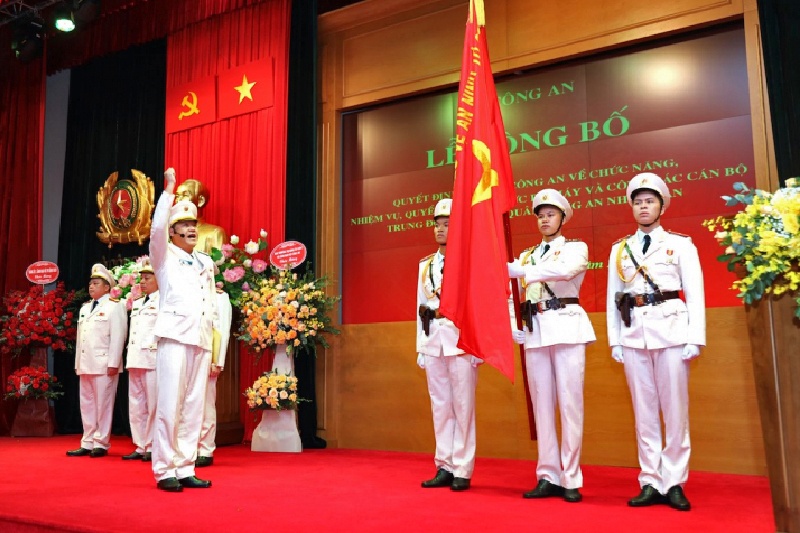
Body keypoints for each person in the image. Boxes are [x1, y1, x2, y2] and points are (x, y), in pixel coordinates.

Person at [606, 172, 705, 512]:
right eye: (638, 202)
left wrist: (695, 337)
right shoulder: (620, 249)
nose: (643, 207)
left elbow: (695, 293)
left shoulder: (681, 244)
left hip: (673, 333)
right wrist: (615, 340)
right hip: (634, 335)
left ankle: (674, 481)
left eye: (649, 201)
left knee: (675, 412)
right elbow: (614, 298)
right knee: (644, 413)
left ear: (662, 206)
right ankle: (650, 480)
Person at [507, 189, 595, 503]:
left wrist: (522, 271)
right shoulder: (526, 256)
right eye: (541, 216)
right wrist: (512, 323)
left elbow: (565, 270)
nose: (545, 220)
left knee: (570, 405)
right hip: (535, 330)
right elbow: (510, 293)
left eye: (551, 215)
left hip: (567, 326)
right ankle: (548, 474)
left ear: (562, 218)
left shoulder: (575, 248)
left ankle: (571, 476)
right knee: (542, 407)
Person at [149, 167, 217, 492]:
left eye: (193, 224)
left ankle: (186, 466)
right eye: (184, 225)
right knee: (169, 405)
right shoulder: (164, 257)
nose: (191, 228)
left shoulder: (206, 262)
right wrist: (168, 192)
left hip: (199, 339)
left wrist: (212, 343)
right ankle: (164, 469)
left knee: (193, 407)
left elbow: (211, 304)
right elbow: (156, 229)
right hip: (174, 337)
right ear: (173, 232)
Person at [416, 198, 480, 492]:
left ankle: (462, 469)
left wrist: (478, 347)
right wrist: (420, 346)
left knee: (463, 406)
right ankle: (444, 465)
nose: (440, 229)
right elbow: (420, 306)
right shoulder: (425, 264)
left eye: (447, 224)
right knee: (440, 406)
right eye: (438, 225)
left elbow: (479, 305)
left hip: (461, 339)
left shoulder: (470, 262)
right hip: (433, 339)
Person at [67, 264, 128, 458]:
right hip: (86, 363)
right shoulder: (85, 308)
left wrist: (114, 362)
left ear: (107, 287)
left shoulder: (114, 306)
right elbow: (81, 339)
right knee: (87, 403)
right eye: (90, 283)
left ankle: (101, 442)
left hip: (104, 364)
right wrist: (78, 363)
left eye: (96, 283)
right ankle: (87, 441)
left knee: (103, 404)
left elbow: (118, 336)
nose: (91, 286)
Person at [122, 258, 159, 462]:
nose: (143, 282)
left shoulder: (163, 301)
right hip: (136, 357)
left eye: (147, 278)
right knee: (136, 404)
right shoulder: (137, 303)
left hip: (153, 358)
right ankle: (140, 444)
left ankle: (153, 444)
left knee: (154, 404)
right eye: (141, 279)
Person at [196, 288, 233, 467]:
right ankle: (188, 448)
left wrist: (218, 361)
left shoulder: (219, 297)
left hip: (208, 357)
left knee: (206, 404)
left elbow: (222, 330)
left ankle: (205, 449)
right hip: (187, 356)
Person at [175, 179, 227, 254]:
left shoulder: (214, 233)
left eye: (185, 195)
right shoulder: (170, 232)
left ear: (200, 201)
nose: (178, 200)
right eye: (177, 196)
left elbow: (218, 260)